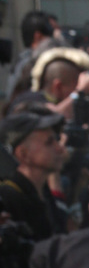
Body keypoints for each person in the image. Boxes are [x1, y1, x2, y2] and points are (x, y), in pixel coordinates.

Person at [0, 106, 69, 255]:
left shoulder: (43, 193)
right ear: (23, 154)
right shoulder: (8, 199)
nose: (60, 149)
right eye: (49, 143)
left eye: (57, 140)